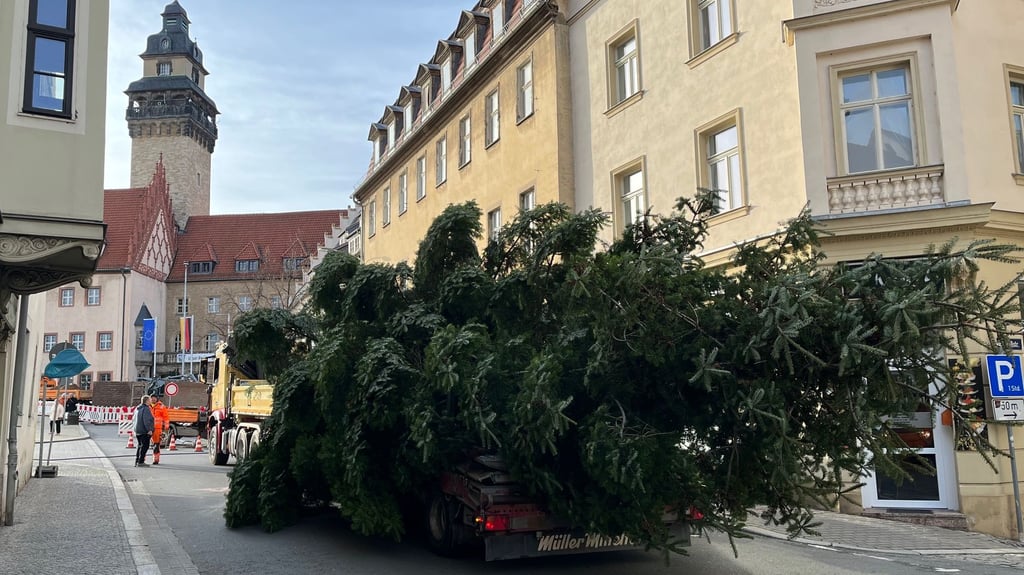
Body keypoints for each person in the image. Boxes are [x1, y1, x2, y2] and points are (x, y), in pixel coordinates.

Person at [134, 395, 154, 467]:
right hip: (144, 430)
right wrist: (149, 429)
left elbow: (134, 419)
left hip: (138, 430)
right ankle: (141, 461)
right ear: (147, 401)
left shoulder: (138, 408)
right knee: (145, 446)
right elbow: (147, 420)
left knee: (140, 446)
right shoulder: (146, 409)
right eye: (150, 400)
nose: (151, 401)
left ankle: (137, 460)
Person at [151, 399, 168, 464]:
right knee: (145, 445)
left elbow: (166, 417)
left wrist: (166, 426)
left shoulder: (161, 406)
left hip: (157, 428)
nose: (153, 399)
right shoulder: (148, 406)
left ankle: (156, 459)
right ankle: (142, 459)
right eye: (152, 397)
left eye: (154, 398)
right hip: (148, 428)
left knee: (156, 444)